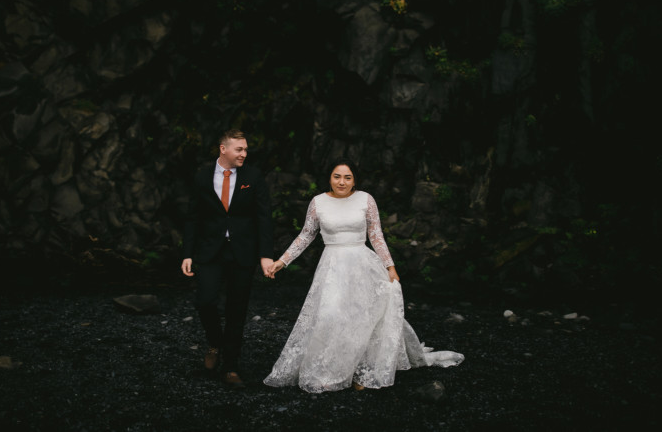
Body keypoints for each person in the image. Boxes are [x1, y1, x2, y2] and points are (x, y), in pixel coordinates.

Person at [264, 158, 464, 393]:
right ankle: (328, 370)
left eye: (347, 177)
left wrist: (390, 267)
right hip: (332, 266)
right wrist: (282, 261)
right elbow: (306, 236)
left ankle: (363, 370)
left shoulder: (365, 199)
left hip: (362, 263)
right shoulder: (318, 202)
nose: (342, 181)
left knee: (361, 317)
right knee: (330, 315)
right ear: (329, 177)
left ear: (354, 180)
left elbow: (376, 235)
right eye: (337, 176)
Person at [181, 129, 274, 388]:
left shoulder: (253, 177)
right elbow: (193, 217)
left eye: (245, 149)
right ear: (223, 149)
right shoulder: (202, 176)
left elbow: (264, 218)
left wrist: (266, 255)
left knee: (237, 310)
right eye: (239, 149)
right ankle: (215, 343)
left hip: (242, 252)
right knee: (204, 300)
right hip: (210, 251)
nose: (244, 153)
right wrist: (187, 253)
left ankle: (231, 367)